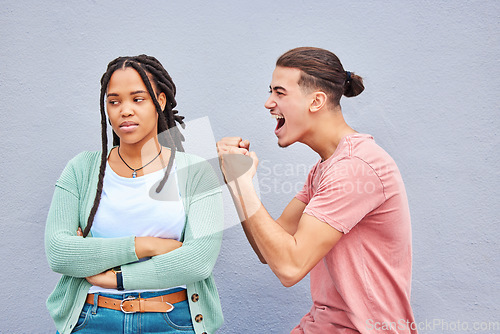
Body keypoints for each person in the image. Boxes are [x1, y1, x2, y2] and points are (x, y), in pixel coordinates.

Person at [217, 47, 417, 333]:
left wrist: (241, 183)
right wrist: (235, 183)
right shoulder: (326, 167)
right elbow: (269, 250)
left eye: (279, 93)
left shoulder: (356, 166)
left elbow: (290, 267)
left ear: (316, 101)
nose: (268, 103)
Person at [45, 55, 224, 334]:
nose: (124, 110)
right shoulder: (82, 169)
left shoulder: (196, 171)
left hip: (174, 320)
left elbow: (198, 261)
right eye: (114, 101)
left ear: (160, 102)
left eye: (137, 99)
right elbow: (59, 252)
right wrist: (146, 246)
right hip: (91, 319)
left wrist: (115, 278)